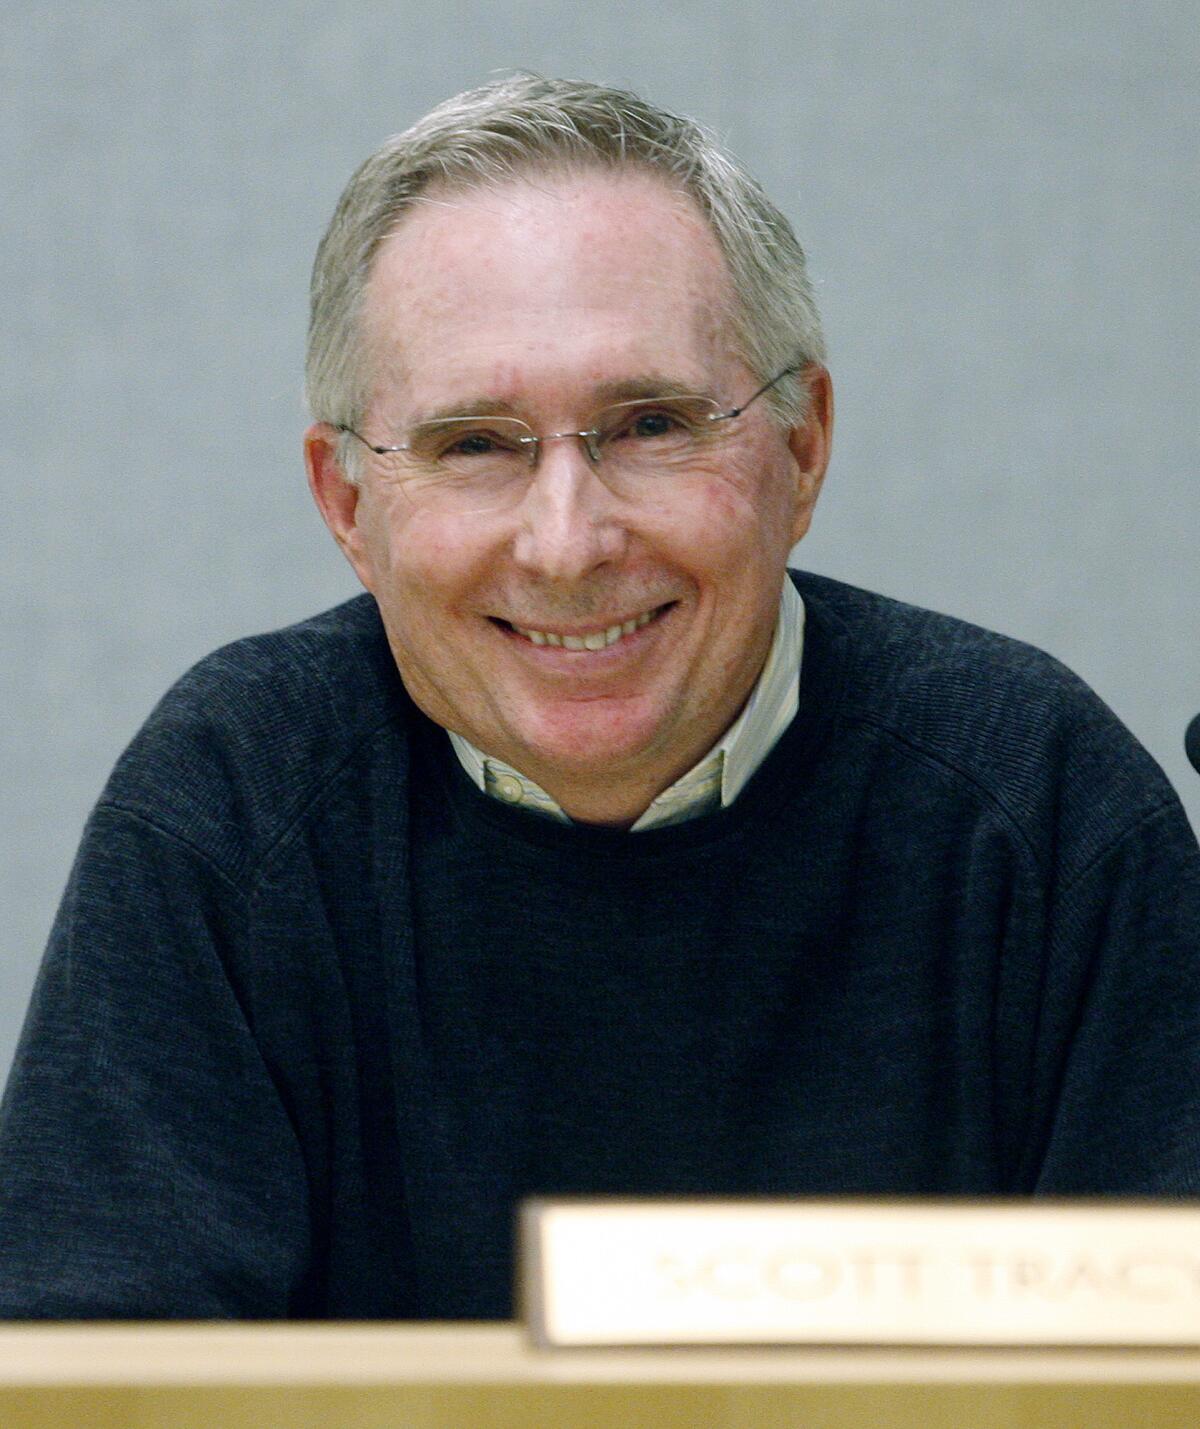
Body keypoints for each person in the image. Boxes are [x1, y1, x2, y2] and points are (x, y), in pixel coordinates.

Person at [2, 75, 1198, 1321]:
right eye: (475, 443)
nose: (567, 545)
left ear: (802, 447)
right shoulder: (232, 812)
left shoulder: (1039, 807)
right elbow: (99, 1381)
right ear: (348, 503)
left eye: (648, 425)